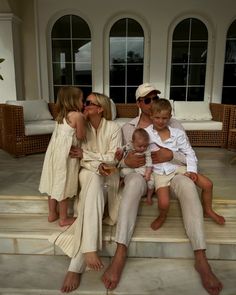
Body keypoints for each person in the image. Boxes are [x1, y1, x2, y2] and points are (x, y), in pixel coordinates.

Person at [102, 83, 223, 295]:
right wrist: (125, 163)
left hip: (171, 171)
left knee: (187, 186)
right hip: (142, 174)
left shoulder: (174, 124)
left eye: (155, 97)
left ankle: (201, 257)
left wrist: (170, 155)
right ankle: (120, 252)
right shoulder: (128, 128)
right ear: (138, 103)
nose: (152, 103)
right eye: (147, 100)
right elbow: (119, 159)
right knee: (131, 186)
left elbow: (187, 154)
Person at [49, 92, 122, 293]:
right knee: (93, 177)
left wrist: (90, 157)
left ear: (101, 108)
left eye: (89, 103)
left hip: (109, 178)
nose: (85, 106)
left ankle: (76, 265)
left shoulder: (114, 128)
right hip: (87, 174)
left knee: (97, 182)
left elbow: (113, 160)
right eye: (85, 102)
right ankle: (88, 250)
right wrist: (97, 162)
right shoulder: (80, 126)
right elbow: (75, 157)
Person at [146, 98, 225, 230]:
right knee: (164, 203)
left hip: (178, 168)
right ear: (151, 116)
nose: (161, 121)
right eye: (157, 117)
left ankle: (208, 210)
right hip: (160, 172)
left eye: (165, 118)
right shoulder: (146, 133)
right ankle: (162, 215)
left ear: (170, 117)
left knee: (208, 184)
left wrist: (192, 171)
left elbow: (189, 153)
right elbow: (137, 147)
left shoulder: (178, 134)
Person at [39, 86, 86, 227]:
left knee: (53, 183)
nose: (83, 103)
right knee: (62, 185)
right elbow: (81, 136)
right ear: (73, 101)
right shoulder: (78, 116)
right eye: (81, 99)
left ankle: (52, 213)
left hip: (53, 155)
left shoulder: (60, 116)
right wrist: (85, 119)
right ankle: (64, 218)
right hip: (66, 157)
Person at [115, 128, 154, 205]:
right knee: (123, 172)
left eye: (145, 146)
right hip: (131, 168)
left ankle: (149, 196)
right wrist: (120, 151)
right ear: (133, 143)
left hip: (142, 169)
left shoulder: (147, 151)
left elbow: (149, 162)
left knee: (152, 182)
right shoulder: (130, 145)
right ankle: (122, 181)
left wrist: (148, 173)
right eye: (140, 146)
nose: (142, 148)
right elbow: (124, 148)